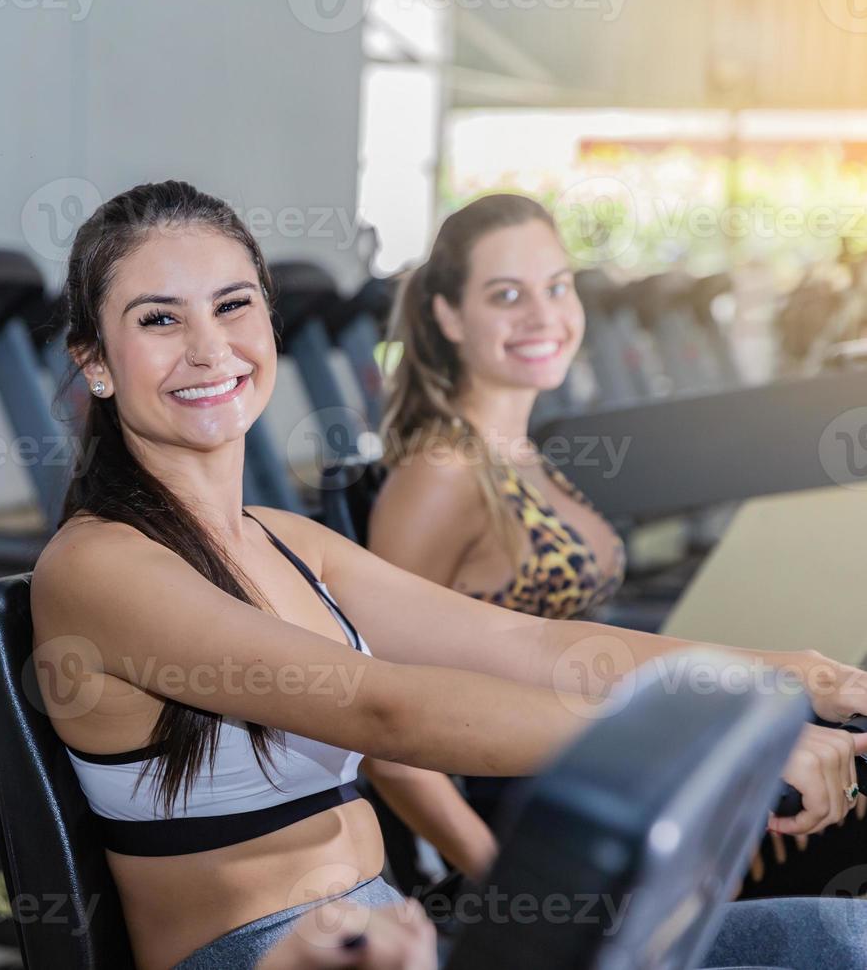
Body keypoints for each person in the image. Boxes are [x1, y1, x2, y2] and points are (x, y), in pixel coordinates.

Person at [31, 179, 867, 969]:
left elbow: (527, 641)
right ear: (95, 362)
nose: (210, 347)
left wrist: (794, 675)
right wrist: (708, 735)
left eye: (232, 305)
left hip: (395, 929)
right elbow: (385, 708)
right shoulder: (97, 564)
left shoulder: (287, 541)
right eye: (159, 320)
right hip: (262, 954)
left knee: (842, 934)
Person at [370, 191, 867, 896]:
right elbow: (383, 735)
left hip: (604, 769)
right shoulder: (441, 473)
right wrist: (498, 886)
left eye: (557, 287)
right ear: (448, 315)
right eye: (507, 295)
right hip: (532, 814)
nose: (544, 315)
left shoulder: (529, 456)